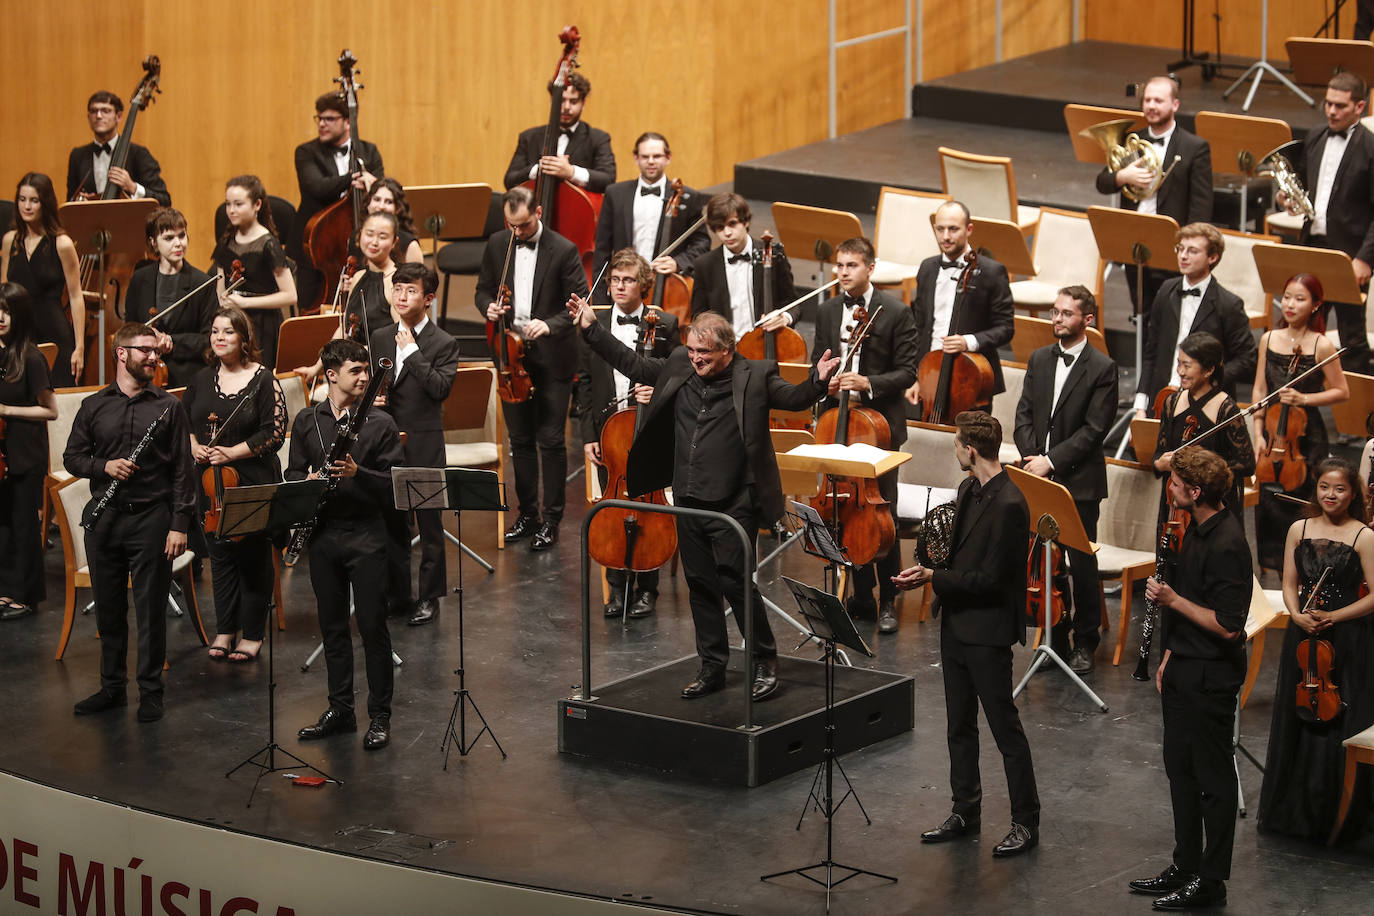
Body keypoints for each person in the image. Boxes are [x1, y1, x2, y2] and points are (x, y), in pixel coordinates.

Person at [570, 303, 839, 701]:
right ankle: (712, 665)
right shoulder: (680, 362)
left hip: (735, 502)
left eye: (705, 354)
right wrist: (593, 330)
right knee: (699, 584)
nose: (696, 358)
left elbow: (793, 398)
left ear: (727, 350)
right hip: (689, 497)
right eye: (693, 350)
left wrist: (817, 382)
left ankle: (764, 661)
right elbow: (634, 364)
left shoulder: (755, 374)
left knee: (735, 582)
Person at [892, 411, 1039, 859]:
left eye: (957, 444)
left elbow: (992, 580)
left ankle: (1026, 823)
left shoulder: (1012, 504)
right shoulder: (967, 488)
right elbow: (957, 561)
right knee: (959, 725)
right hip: (957, 624)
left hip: (988, 631)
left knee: (1004, 729)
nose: (955, 450)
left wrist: (933, 577)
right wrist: (931, 571)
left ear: (970, 450)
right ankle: (965, 810)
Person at [1133, 447, 1250, 911]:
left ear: (1195, 491)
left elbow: (1229, 624)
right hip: (1184, 666)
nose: (1170, 489)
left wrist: (1172, 599)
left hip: (1211, 677)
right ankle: (1184, 865)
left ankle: (1211, 881)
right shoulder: (1194, 529)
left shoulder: (1228, 545)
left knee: (1213, 781)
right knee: (1179, 771)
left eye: (1176, 484)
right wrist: (1167, 656)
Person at [62, 323, 196, 723]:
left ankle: (151, 692)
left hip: (151, 521)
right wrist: (104, 465)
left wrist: (179, 524)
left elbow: (183, 473)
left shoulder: (168, 407)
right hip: (105, 520)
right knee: (109, 609)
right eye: (145, 351)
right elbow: (73, 458)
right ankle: (112, 688)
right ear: (121, 353)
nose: (154, 358)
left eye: (156, 352)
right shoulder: (93, 406)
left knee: (151, 609)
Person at [287, 338, 402, 751]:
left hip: (367, 535)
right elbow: (292, 472)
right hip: (323, 536)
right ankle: (340, 710)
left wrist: (359, 474)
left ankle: (380, 716)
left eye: (367, 370)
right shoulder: (306, 420)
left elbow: (395, 487)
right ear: (332, 375)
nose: (365, 378)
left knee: (373, 628)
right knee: (333, 628)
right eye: (356, 371)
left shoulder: (381, 424)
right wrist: (308, 482)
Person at [1258, 458, 1374, 845]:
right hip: (1304, 633)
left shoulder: (1364, 536)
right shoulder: (1299, 528)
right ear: (1316, 489)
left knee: (1338, 716)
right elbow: (1290, 581)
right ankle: (1294, 811)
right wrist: (1295, 614)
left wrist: (1334, 617)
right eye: (1325, 487)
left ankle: (1333, 816)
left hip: (1344, 638)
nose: (1330, 495)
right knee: (1301, 715)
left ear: (1352, 494)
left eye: (1340, 489)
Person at [810, 237, 918, 633]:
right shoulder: (825, 311)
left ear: (870, 269)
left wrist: (867, 381)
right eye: (840, 265)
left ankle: (889, 599)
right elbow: (816, 362)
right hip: (836, 423)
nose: (842, 272)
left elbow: (907, 371)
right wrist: (824, 382)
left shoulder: (895, 312)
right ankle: (860, 595)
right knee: (845, 510)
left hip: (879, 429)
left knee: (878, 510)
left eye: (851, 265)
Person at [477, 186, 588, 551]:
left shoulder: (564, 249)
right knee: (521, 440)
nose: (518, 233)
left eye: (523, 226)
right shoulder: (498, 243)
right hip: (512, 356)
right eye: (512, 226)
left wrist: (550, 324)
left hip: (552, 355)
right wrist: (488, 309)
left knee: (552, 441)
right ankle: (528, 514)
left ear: (538, 212)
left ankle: (552, 520)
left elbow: (577, 304)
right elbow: (483, 290)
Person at [1013, 285, 1118, 673]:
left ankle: (1085, 641)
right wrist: (1031, 457)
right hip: (1035, 474)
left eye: (1066, 314)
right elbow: (1024, 414)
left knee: (1080, 563)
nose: (1057, 319)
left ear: (1087, 320)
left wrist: (1051, 462)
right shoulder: (1040, 359)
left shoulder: (1103, 368)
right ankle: (1055, 635)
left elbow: (1094, 431)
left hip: (1079, 481)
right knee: (1044, 562)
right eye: (1055, 312)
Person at [574, 249, 681, 619]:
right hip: (609, 432)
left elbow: (678, 372)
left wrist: (658, 389)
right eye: (615, 280)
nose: (620, 286)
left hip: (649, 429)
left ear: (645, 285)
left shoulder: (664, 322)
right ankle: (617, 588)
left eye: (629, 280)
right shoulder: (593, 324)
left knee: (648, 506)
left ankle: (647, 588)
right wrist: (588, 434)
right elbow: (585, 383)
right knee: (613, 506)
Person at [185, 306, 286, 662]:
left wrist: (230, 453)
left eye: (228, 331)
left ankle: (254, 632)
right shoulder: (200, 379)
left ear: (244, 338)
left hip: (251, 479)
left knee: (253, 556)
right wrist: (195, 447)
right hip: (211, 483)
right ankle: (225, 629)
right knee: (220, 555)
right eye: (215, 331)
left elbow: (273, 434)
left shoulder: (262, 379)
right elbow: (185, 426)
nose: (219, 337)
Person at [371, 263, 460, 626]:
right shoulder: (378, 336)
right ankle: (398, 594)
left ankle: (429, 596)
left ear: (429, 298)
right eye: (397, 290)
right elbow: (372, 382)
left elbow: (440, 388)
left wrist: (411, 352)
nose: (401, 297)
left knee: (429, 525)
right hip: (387, 441)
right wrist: (372, 397)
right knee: (393, 524)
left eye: (410, 291)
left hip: (423, 442)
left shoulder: (444, 343)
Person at [1253, 274, 1349, 573]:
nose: (1290, 305)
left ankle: (1304, 578)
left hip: (1306, 439)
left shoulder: (1321, 345)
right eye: (1288, 297)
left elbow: (1342, 391)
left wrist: (1304, 399)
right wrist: (1257, 433)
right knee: (1269, 506)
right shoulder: (1268, 338)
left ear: (1316, 305)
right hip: (1270, 437)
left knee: (1302, 507)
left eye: (1300, 299)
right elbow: (1259, 389)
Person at [1094, 75, 1213, 314]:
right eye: (1147, 100)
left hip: (1171, 241)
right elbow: (1102, 183)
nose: (1151, 106)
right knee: (1141, 310)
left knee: (1170, 314)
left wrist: (1188, 247)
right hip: (1134, 238)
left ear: (1175, 105)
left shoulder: (1194, 147)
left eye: (1158, 100)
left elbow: (1201, 206)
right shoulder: (1132, 142)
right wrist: (1122, 177)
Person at [1287, 71, 1374, 374]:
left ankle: (1359, 417)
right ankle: (1299, 411)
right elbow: (1302, 185)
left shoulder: (1370, 147)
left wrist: (1365, 259)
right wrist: (1286, 201)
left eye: (1340, 106)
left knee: (1351, 337)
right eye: (1328, 104)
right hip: (1312, 247)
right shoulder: (1315, 136)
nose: (1332, 112)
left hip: (1349, 255)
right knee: (1300, 330)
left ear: (1360, 107)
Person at [1133, 223, 1257, 417]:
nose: (1183, 256)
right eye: (1180, 249)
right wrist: (1141, 405)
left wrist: (1208, 378)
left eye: (1192, 251)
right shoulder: (1166, 290)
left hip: (1206, 405)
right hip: (1161, 400)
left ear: (1212, 257)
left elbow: (1246, 359)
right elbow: (1152, 351)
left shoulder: (1229, 304)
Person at [906, 200, 1014, 416]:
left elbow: (1005, 328)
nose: (946, 236)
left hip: (970, 379)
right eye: (940, 229)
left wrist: (969, 341)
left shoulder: (992, 272)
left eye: (953, 229)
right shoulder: (927, 268)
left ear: (969, 229)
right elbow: (918, 327)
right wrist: (918, 376)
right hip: (930, 375)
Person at [289, 92, 384, 313]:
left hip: (357, 238)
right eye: (319, 118)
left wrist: (373, 183)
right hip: (316, 246)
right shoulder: (306, 152)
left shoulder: (369, 151)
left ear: (348, 121)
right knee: (312, 305)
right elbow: (316, 187)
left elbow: (382, 191)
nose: (322, 124)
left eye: (329, 119)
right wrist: (353, 178)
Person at [1152, 333, 1255, 536]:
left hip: (1211, 511)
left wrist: (1204, 472)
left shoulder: (1226, 409)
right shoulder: (1171, 403)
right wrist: (1159, 464)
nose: (1180, 371)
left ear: (1209, 370)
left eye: (1187, 365)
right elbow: (1159, 453)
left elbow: (1247, 464)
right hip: (1174, 509)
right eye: (1179, 364)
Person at [591, 132, 709, 300]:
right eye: (645, 156)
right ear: (636, 158)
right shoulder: (615, 194)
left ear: (668, 158)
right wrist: (601, 300)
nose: (651, 161)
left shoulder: (687, 197)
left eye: (657, 156)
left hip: (667, 289)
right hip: (623, 288)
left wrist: (678, 263)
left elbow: (702, 243)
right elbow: (602, 251)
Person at [0, 283, 58, 620]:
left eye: (6, 310)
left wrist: (6, 411)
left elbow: (50, 411)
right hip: (2, 455)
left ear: (18, 314)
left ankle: (25, 595)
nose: (1, 317)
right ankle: (6, 590)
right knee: (3, 526)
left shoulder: (32, 357)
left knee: (23, 525)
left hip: (23, 453)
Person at [292, 211, 401, 386]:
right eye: (369, 234)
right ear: (359, 236)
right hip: (352, 372)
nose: (374, 242)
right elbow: (345, 329)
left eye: (382, 237)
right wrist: (316, 368)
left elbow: (401, 336)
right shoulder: (358, 276)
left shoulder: (395, 283)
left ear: (394, 242)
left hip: (379, 375)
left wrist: (362, 353)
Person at [2, 173, 86, 386]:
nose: (27, 206)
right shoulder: (10, 241)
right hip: (17, 337)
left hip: (54, 335)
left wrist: (79, 348)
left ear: (45, 204)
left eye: (34, 200)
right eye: (22, 199)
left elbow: (76, 297)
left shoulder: (62, 243)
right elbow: (3, 293)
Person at [124, 208, 217, 389]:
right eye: (169, 238)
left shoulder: (202, 282)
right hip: (144, 376)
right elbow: (129, 330)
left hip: (187, 377)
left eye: (181, 236)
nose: (178, 244)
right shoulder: (139, 279)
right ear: (153, 242)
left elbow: (209, 339)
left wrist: (172, 342)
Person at [212, 175, 296, 372]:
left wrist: (245, 303)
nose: (231, 211)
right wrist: (224, 303)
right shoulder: (226, 240)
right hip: (234, 322)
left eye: (239, 204)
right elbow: (220, 282)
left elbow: (290, 295)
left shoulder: (268, 244)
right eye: (228, 204)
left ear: (257, 204)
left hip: (262, 325)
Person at [689, 193, 796, 342]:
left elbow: (793, 303)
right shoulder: (705, 265)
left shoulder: (773, 254)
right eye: (720, 228)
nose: (727, 233)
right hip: (725, 350)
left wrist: (785, 317)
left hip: (766, 343)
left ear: (745, 222)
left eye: (732, 224)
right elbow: (698, 315)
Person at [503, 71, 615, 196]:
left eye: (573, 102)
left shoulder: (598, 138)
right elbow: (510, 181)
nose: (567, 107)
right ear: (552, 101)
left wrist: (571, 172)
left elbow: (608, 180)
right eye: (561, 100)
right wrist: (538, 169)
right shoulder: (529, 137)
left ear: (583, 103)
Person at [66, 90, 171, 206]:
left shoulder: (139, 154)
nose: (99, 116)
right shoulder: (78, 156)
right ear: (88, 117)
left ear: (119, 116)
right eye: (94, 111)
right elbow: (70, 200)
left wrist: (132, 187)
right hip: (91, 223)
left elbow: (164, 200)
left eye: (106, 111)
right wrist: (79, 200)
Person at [348, 177, 424, 266]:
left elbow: (417, 279)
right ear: (368, 203)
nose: (381, 206)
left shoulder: (410, 244)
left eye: (388, 202)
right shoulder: (356, 236)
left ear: (398, 208)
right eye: (377, 199)